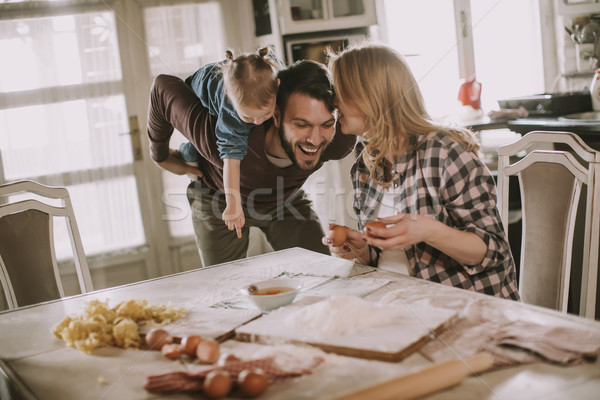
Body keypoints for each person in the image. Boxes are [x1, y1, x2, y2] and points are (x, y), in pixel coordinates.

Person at [323, 43, 519, 300]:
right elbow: (392, 259)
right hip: (399, 305)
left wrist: (429, 231)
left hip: (464, 310)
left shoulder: (446, 154)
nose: (333, 101)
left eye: (340, 90)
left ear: (369, 95)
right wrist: (362, 251)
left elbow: (493, 252)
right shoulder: (365, 165)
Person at [147, 60, 357, 267]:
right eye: (301, 124)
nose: (315, 139)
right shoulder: (219, 138)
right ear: (276, 116)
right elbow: (162, 87)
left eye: (327, 124)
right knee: (224, 290)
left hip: (285, 198)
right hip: (219, 198)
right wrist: (161, 156)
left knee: (322, 271)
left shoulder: (340, 140)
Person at [179, 47, 282, 238]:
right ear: (228, 94)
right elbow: (231, 161)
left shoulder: (278, 76)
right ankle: (187, 151)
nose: (258, 122)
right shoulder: (230, 113)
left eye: (265, 113)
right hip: (198, 89)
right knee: (207, 140)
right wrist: (233, 204)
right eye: (248, 117)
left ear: (277, 85)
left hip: (230, 79)